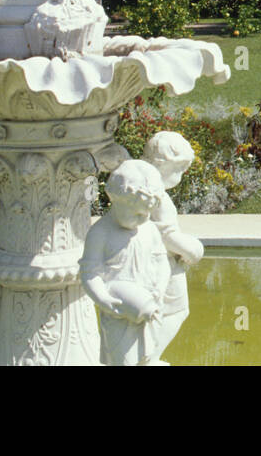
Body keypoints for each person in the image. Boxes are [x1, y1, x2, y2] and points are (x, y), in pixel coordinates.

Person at [79, 160, 171, 366]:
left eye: (146, 214)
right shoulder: (100, 233)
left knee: (148, 354)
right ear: (116, 199)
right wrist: (103, 298)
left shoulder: (149, 229)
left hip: (149, 303)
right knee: (123, 359)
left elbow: (161, 262)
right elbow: (89, 273)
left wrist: (160, 287)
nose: (143, 218)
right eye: (137, 213)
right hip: (119, 311)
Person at [142, 131, 204, 358]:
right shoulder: (158, 197)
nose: (181, 175)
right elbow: (167, 235)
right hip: (164, 265)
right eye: (179, 170)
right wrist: (194, 250)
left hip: (148, 262)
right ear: (164, 166)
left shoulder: (142, 188)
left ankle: (145, 356)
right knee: (176, 311)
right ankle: (149, 357)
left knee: (152, 313)